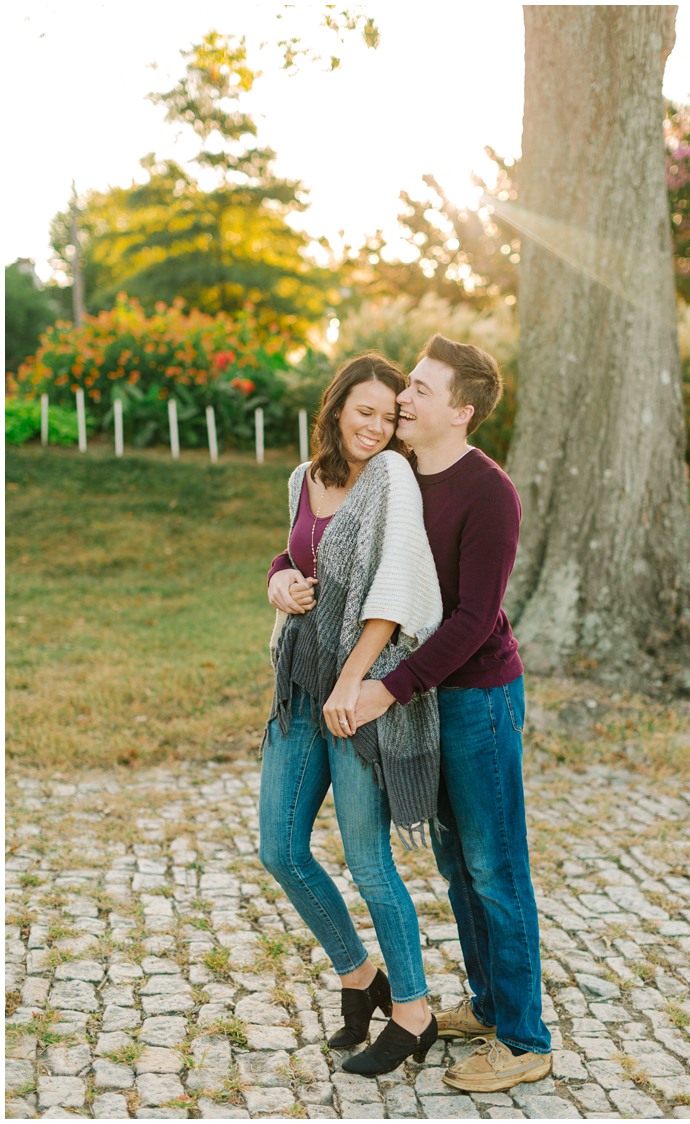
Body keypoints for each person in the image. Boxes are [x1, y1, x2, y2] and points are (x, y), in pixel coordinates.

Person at [349, 334, 553, 1093]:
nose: (405, 398)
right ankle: (493, 1004)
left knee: (497, 867)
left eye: (423, 390)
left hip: (478, 698)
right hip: (430, 700)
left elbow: (473, 618)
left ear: (462, 411)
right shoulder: (396, 476)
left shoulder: (489, 492)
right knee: (455, 863)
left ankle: (528, 1039)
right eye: (411, 385)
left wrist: (386, 689)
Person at [261, 353, 443, 1075]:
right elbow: (296, 553)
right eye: (363, 411)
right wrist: (278, 580)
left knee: (369, 862)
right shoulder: (302, 480)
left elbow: (396, 584)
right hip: (300, 684)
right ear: (336, 409)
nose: (375, 425)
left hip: (361, 694)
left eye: (388, 414)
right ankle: (360, 976)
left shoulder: (392, 478)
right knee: (280, 848)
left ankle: (414, 1011)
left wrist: (355, 681)